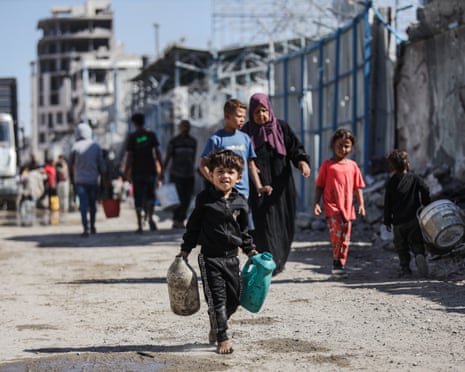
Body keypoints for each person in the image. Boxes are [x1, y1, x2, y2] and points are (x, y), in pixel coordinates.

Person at [177, 149, 258, 354]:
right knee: (217, 298)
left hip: (232, 258)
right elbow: (193, 227)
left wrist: (251, 251)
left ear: (239, 177)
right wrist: (185, 250)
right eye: (220, 171)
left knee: (234, 299)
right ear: (210, 174)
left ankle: (216, 322)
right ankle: (222, 336)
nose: (225, 176)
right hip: (210, 258)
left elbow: (244, 231)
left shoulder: (240, 202)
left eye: (230, 172)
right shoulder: (204, 199)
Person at [242, 93, 311, 275]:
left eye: (264, 110)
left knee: (284, 221)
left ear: (269, 110)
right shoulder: (246, 131)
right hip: (258, 186)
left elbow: (295, 148)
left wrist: (302, 162)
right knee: (261, 223)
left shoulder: (281, 127)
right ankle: (268, 260)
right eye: (257, 112)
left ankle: (280, 259)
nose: (261, 115)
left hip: (282, 185)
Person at [199, 98, 272, 221]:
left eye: (244, 117)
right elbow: (203, 165)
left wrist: (259, 186)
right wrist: (215, 180)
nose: (242, 120)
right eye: (239, 116)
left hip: (243, 192)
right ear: (227, 116)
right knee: (225, 224)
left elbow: (250, 164)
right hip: (223, 193)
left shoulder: (245, 138)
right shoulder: (216, 139)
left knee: (242, 226)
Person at [313, 128, 366, 278]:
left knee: (345, 238)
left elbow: (358, 187)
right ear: (333, 146)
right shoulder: (327, 166)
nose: (343, 149)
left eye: (347, 146)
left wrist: (361, 205)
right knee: (336, 235)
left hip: (348, 208)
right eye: (340, 145)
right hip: (332, 207)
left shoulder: (353, 166)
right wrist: (316, 203)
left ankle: (340, 263)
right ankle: (337, 263)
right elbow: (319, 186)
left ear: (351, 147)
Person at [383, 149, 431, 277]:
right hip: (413, 219)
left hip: (398, 222)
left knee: (401, 246)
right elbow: (425, 188)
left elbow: (387, 204)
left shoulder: (390, 183)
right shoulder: (415, 178)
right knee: (416, 241)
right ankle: (419, 255)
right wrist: (426, 203)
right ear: (407, 165)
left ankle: (405, 268)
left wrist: (387, 221)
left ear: (391, 167)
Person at [124, 112, 163, 233]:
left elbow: (130, 156)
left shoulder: (133, 136)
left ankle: (140, 225)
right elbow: (157, 152)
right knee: (150, 195)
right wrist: (161, 168)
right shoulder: (151, 135)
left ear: (134, 123)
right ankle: (150, 218)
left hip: (137, 172)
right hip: (150, 170)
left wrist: (126, 171)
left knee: (138, 198)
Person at [70, 121, 107, 237]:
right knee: (93, 205)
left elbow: (70, 164)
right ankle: (93, 226)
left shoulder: (75, 147)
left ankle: (85, 227)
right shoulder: (95, 146)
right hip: (93, 180)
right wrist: (105, 178)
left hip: (80, 181)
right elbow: (102, 165)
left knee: (83, 206)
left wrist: (72, 181)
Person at [163, 119, 197, 229]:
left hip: (189, 174)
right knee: (177, 198)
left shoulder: (193, 142)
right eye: (183, 126)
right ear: (180, 128)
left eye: (187, 126)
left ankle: (181, 219)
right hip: (176, 174)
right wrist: (162, 171)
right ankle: (176, 219)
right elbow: (168, 157)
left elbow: (193, 157)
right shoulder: (174, 142)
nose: (185, 129)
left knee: (187, 198)